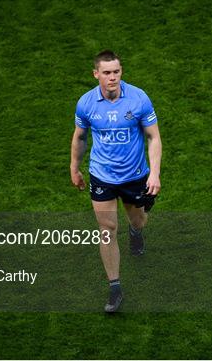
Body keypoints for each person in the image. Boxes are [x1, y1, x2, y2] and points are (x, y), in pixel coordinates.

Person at [70, 50, 162, 313]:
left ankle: (136, 231)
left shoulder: (138, 98)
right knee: (106, 229)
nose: (113, 78)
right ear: (96, 74)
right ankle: (115, 287)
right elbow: (80, 137)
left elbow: (153, 137)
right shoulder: (86, 103)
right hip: (102, 176)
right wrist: (74, 167)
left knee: (139, 220)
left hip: (134, 175)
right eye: (107, 73)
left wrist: (154, 174)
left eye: (117, 72)